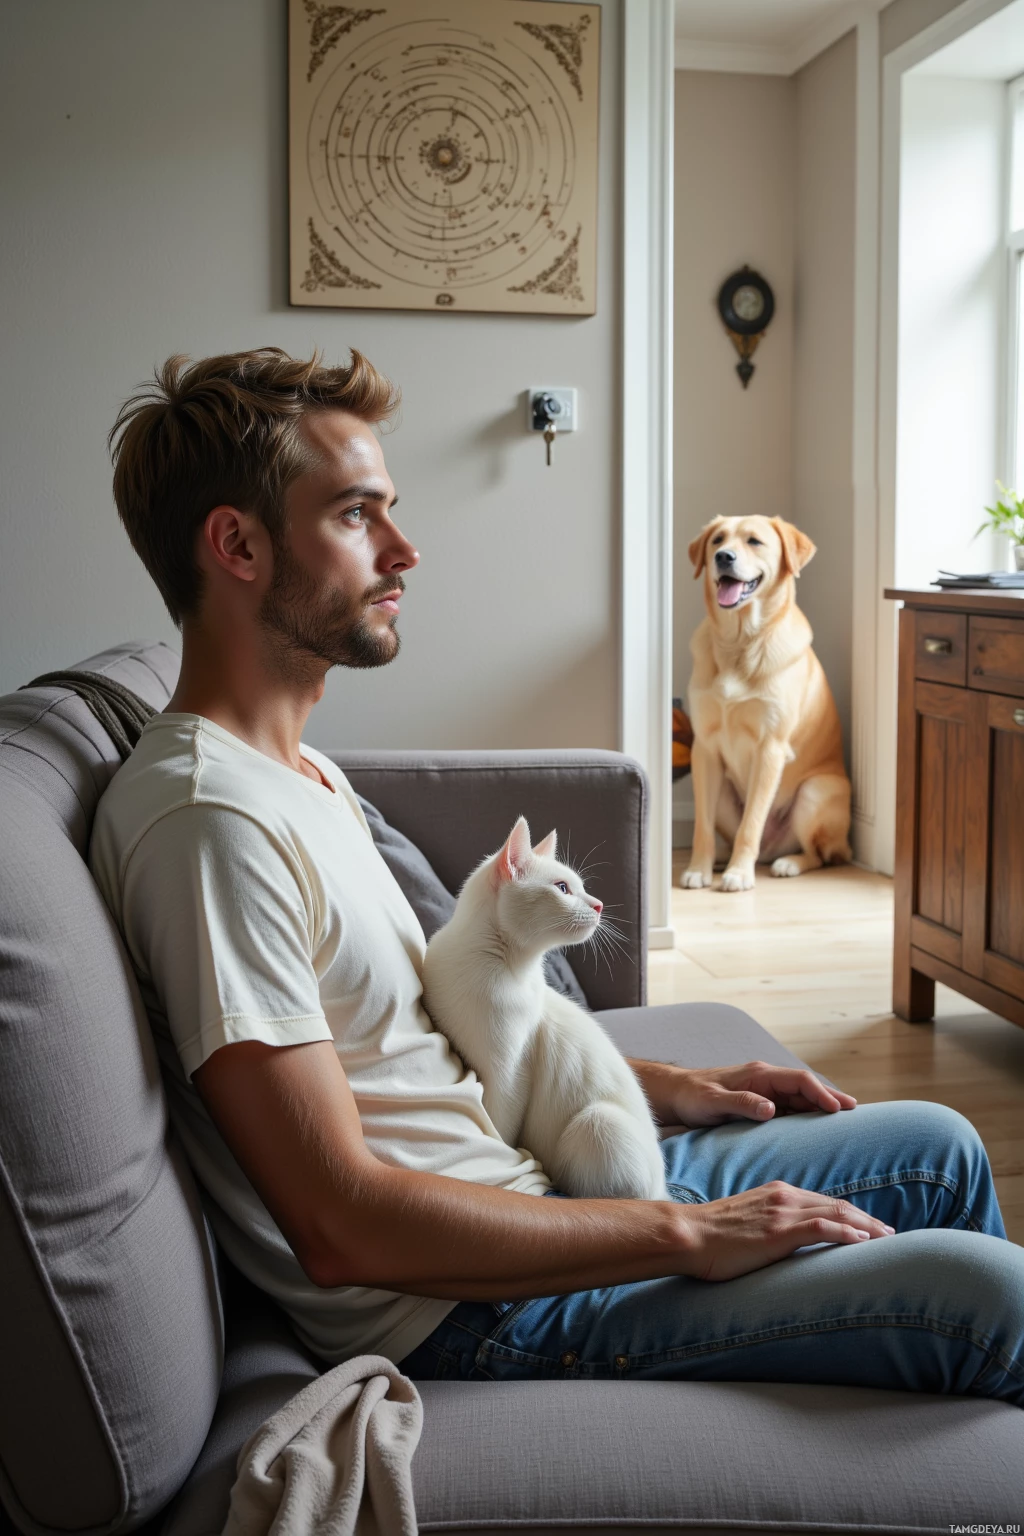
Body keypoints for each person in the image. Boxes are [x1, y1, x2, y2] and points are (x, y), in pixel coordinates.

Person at [89, 347, 1024, 1404]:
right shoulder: (211, 824)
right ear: (237, 545)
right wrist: (684, 1230)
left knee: (937, 1145)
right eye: (357, 516)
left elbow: (436, 1043)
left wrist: (670, 1090)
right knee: (992, 1299)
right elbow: (338, 1222)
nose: (406, 548)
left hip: (533, 1189)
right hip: (474, 1308)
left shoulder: (301, 775)